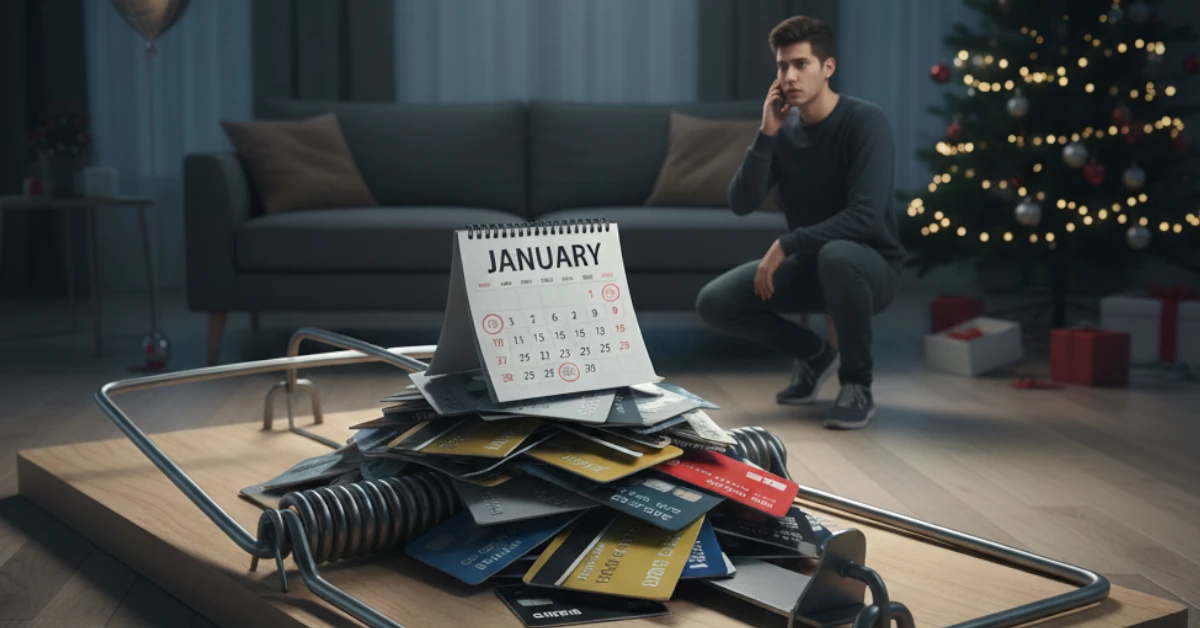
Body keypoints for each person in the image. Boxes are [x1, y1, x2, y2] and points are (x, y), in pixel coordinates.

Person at [695, 15, 905, 430]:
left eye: (801, 64)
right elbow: (741, 202)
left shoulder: (866, 122)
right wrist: (766, 134)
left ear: (828, 68)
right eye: (782, 66)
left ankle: (857, 385)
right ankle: (814, 354)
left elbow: (865, 218)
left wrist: (787, 244)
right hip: (812, 267)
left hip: (869, 267)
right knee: (715, 303)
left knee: (838, 255)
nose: (789, 76)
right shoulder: (784, 132)